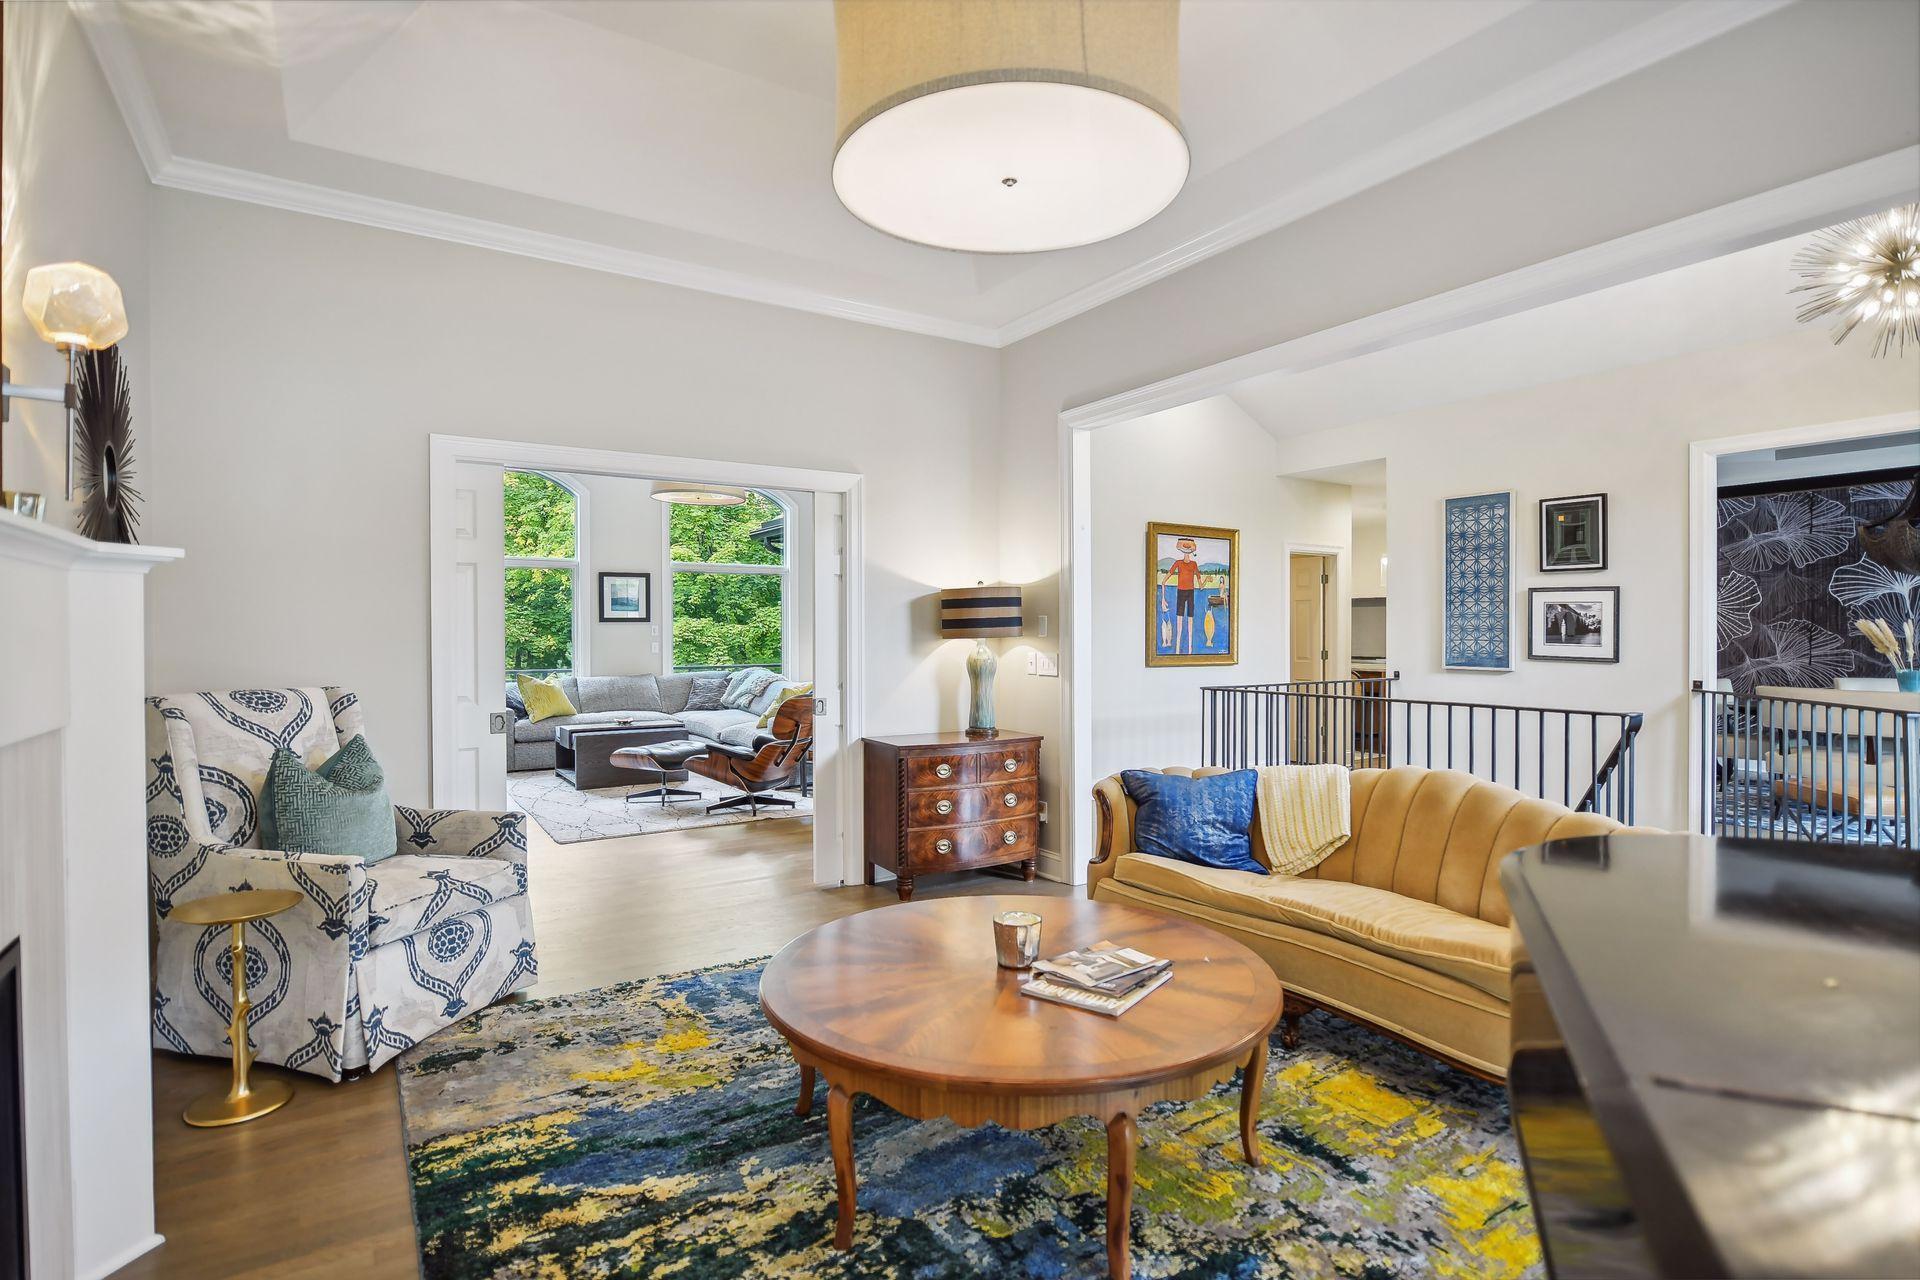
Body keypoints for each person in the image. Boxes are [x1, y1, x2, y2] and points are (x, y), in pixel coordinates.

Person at [1160, 536, 1201, 654]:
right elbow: (1163, 582)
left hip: (1191, 592)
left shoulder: (1194, 564)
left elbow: (1200, 585)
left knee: (1190, 623)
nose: (1187, 547)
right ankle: (1177, 651)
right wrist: (1163, 598)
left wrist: (1206, 580)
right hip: (1181, 592)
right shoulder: (1178, 563)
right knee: (1179, 625)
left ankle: (1190, 651)